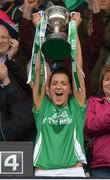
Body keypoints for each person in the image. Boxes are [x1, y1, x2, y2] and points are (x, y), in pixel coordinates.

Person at [32, 12, 87, 177]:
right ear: (48, 89)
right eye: (54, 83)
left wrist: (74, 30)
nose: (59, 87)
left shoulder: (76, 107)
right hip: (43, 172)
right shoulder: (42, 105)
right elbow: (38, 73)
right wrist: (39, 31)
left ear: (71, 89)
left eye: (64, 83)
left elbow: (77, 68)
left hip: (74, 171)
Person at [0, 11, 36, 141]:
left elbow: (29, 84)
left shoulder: (19, 60)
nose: (0, 41)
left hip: (21, 126)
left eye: (4, 37)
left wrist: (11, 58)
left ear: (11, 40)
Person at [85, 64, 110, 178]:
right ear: (101, 83)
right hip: (100, 164)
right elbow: (90, 126)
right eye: (107, 79)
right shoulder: (93, 102)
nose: (109, 83)